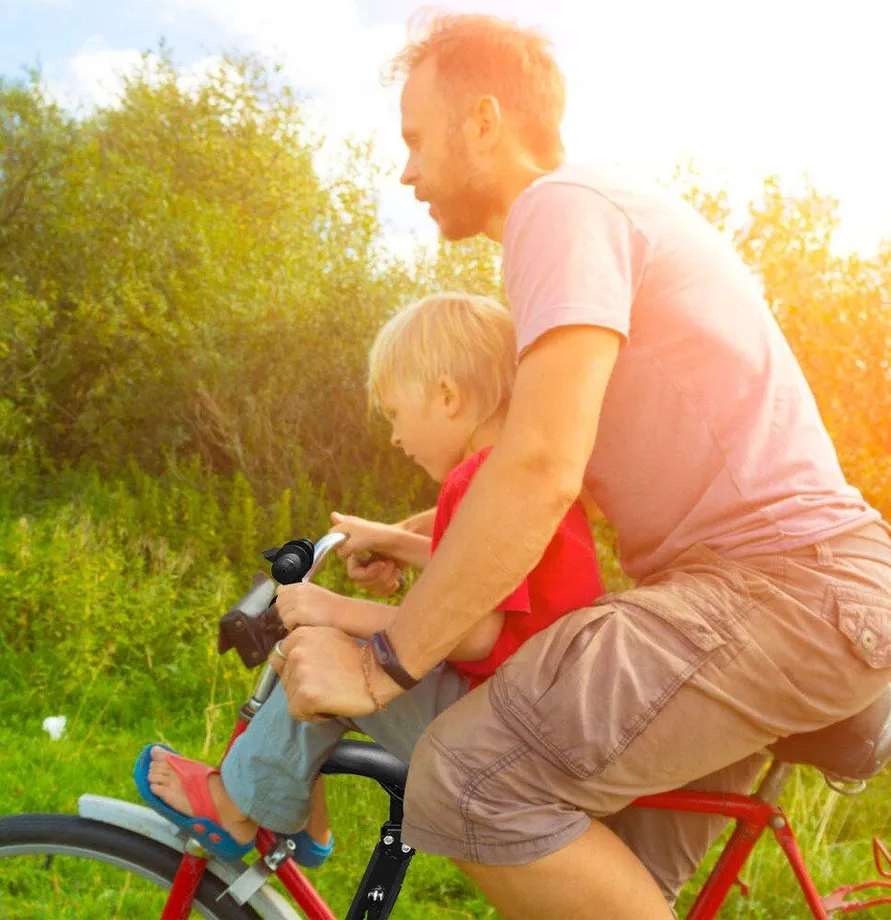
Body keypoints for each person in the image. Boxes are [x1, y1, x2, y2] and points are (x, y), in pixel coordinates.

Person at [266, 11, 891, 920]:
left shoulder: (560, 210)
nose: (404, 168)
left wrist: (386, 662)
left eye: (415, 138)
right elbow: (521, 459)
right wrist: (416, 539)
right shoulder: (580, 226)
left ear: (485, 122)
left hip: (783, 591)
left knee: (469, 777)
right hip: (753, 595)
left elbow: (539, 469)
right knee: (612, 878)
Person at [134, 292, 604, 864]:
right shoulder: (518, 474)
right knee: (329, 654)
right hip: (541, 715)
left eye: (394, 414)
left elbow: (472, 630)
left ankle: (236, 807)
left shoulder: (476, 479)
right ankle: (297, 809)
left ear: (448, 398)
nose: (393, 438)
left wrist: (336, 609)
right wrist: (387, 538)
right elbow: (480, 568)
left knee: (324, 649)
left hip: (502, 730)